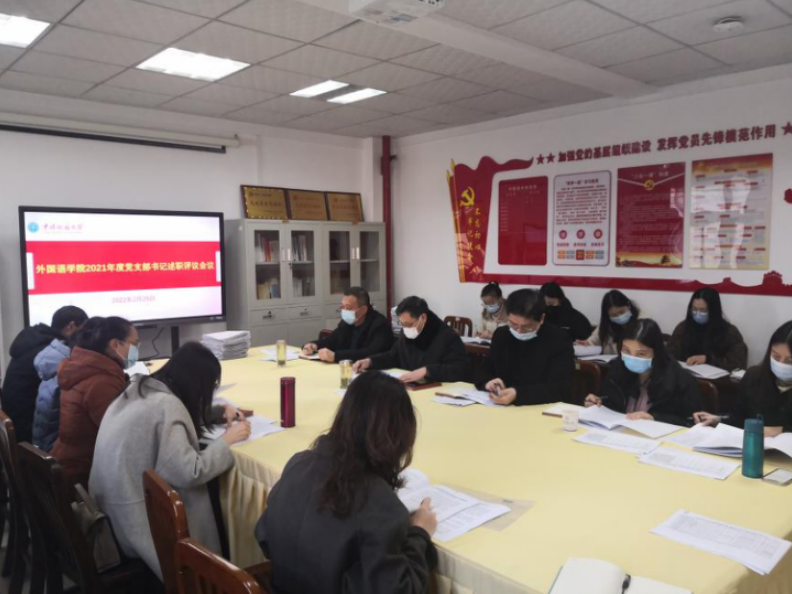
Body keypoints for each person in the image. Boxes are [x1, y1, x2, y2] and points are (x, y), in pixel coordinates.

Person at [256, 371, 437, 594]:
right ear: (398, 436)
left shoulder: (298, 464)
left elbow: (265, 537)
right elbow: (400, 589)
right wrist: (420, 533)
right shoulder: (380, 503)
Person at [90, 342, 250, 579]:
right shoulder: (167, 406)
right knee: (210, 500)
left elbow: (171, 419)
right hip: (135, 524)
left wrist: (216, 412)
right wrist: (227, 440)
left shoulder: (140, 389)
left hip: (109, 510)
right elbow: (190, 472)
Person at [52, 316, 140, 487]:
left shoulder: (82, 369)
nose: (137, 350)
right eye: (135, 344)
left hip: (68, 466)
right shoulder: (102, 383)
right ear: (116, 344)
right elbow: (122, 436)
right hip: (84, 477)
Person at [585, 319, 703, 426]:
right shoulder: (617, 368)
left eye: (641, 354)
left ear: (656, 352)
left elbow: (691, 421)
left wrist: (655, 418)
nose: (632, 358)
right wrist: (598, 402)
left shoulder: (679, 380)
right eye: (626, 351)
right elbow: (611, 402)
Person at [0, 306, 87, 443]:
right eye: (83, 331)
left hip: (14, 422)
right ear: (70, 327)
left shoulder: (34, 340)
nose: (84, 337)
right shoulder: (52, 353)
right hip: (28, 434)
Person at [475, 289, 574, 406]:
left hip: (539, 408)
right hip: (501, 407)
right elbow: (484, 370)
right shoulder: (502, 335)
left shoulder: (559, 339)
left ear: (542, 319)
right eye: (513, 324)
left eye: (527, 327)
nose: (519, 331)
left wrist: (518, 394)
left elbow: (561, 388)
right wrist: (488, 382)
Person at [694, 321, 792, 436]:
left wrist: (780, 431)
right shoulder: (754, 377)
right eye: (776, 356)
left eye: (789, 361)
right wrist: (718, 420)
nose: (781, 364)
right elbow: (738, 419)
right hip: (750, 444)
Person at [352, 296, 468, 383]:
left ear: (423, 318)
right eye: (402, 324)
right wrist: (370, 361)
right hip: (410, 387)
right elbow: (393, 356)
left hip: (439, 391)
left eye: (408, 324)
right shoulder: (407, 332)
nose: (405, 328)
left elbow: (459, 370)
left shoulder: (447, 336)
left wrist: (427, 371)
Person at [303, 287, 393, 363]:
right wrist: (314, 345)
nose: (344, 311)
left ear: (363, 309)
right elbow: (330, 341)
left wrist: (336, 356)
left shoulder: (380, 324)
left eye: (348, 307)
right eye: (342, 306)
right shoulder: (347, 322)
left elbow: (371, 353)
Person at [667, 287, 747, 372]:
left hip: (717, 379)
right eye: (694, 309)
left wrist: (708, 359)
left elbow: (737, 364)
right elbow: (669, 354)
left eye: (703, 310)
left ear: (713, 311)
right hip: (685, 376)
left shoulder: (729, 332)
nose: (698, 314)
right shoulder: (683, 327)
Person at [577, 290, 640, 355]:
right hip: (608, 361)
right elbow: (594, 340)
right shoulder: (606, 325)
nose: (619, 317)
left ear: (628, 306)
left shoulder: (642, 323)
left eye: (621, 312)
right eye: (614, 315)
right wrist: (587, 343)